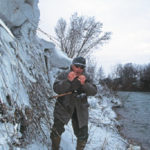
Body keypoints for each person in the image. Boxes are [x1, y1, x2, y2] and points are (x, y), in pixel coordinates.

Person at [50, 57, 97, 150]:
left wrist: (84, 84)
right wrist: (68, 81)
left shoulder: (87, 77)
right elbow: (56, 89)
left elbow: (94, 91)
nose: (79, 69)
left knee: (83, 135)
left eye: (82, 67)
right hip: (63, 107)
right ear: (72, 65)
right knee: (56, 131)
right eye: (77, 66)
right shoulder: (64, 74)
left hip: (80, 109)